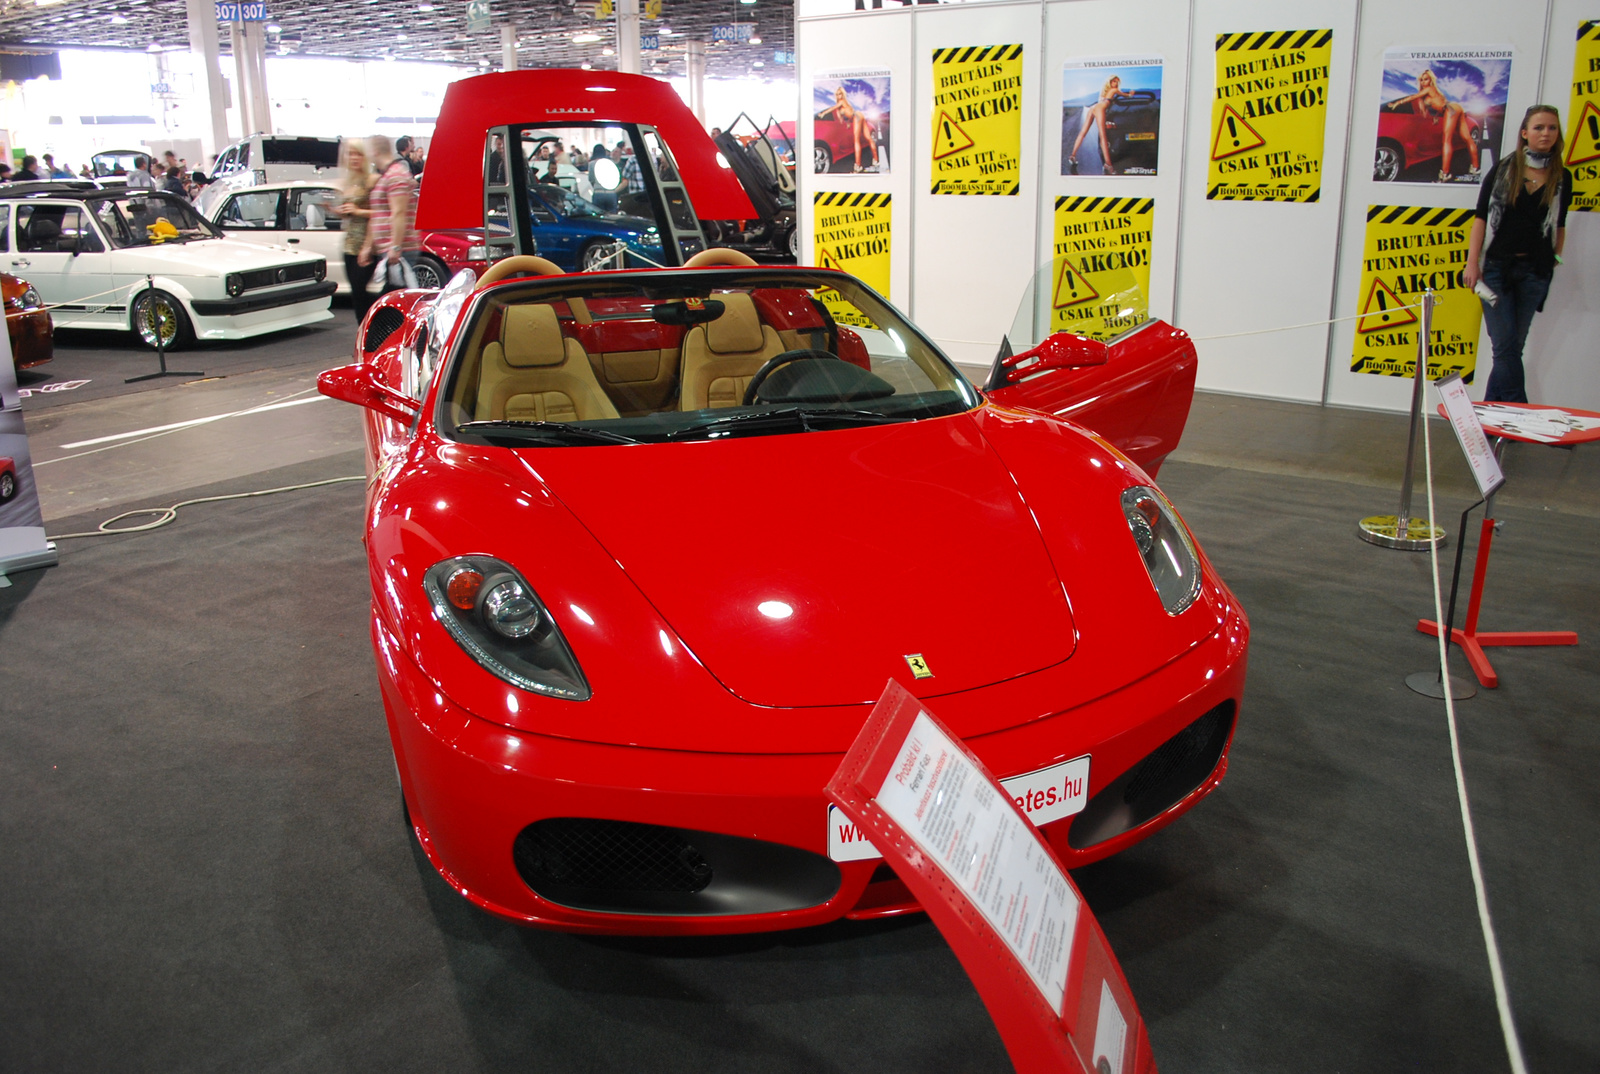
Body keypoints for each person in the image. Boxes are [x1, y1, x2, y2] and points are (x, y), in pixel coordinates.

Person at [1463, 105, 1571, 404]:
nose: (1546, 133)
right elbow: (1481, 218)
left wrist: (1555, 259)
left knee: (1511, 347)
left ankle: (1489, 416)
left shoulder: (1563, 177)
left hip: (1535, 272)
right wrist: (1473, 263)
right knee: (1505, 345)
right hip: (1496, 270)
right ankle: (1520, 412)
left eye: (1552, 127)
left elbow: (1559, 224)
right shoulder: (1503, 170)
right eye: (1539, 128)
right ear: (1524, 133)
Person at [1383, 68, 1480, 181]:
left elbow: (1412, 97)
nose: (1424, 82)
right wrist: (1435, 117)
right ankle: (1475, 168)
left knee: (1446, 141)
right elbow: (1439, 104)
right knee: (1467, 138)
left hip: (1450, 110)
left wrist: (1397, 103)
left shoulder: (1429, 89)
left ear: (1430, 80)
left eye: (1426, 79)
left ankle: (1445, 174)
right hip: (1455, 107)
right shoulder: (1433, 92)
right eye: (1422, 80)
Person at [363, 134, 421, 293]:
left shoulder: (395, 175)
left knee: (397, 297)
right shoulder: (388, 174)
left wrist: (395, 246)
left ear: (374, 151)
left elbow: (399, 212)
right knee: (394, 295)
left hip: (400, 250)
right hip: (392, 249)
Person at [335, 140, 379, 321]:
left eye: (358, 153)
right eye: (350, 153)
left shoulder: (372, 180)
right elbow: (348, 213)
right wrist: (338, 212)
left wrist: (357, 211)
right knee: (356, 292)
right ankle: (363, 332)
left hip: (368, 243)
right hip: (349, 244)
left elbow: (382, 213)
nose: (354, 158)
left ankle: (376, 328)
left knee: (361, 290)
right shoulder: (348, 182)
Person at [1067, 75, 1134, 175]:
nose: (1116, 84)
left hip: (1094, 107)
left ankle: (1072, 155)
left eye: (1117, 82)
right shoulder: (1114, 90)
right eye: (1114, 81)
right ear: (1110, 82)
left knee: (1083, 132)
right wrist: (1131, 93)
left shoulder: (1104, 91)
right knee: (1103, 136)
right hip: (1100, 108)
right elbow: (1126, 95)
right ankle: (1108, 165)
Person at [816, 85, 879, 172]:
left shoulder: (841, 102)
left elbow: (833, 108)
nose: (839, 96)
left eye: (840, 94)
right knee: (868, 138)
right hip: (858, 115)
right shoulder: (842, 105)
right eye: (837, 94)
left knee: (857, 141)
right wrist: (849, 123)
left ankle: (858, 166)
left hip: (856, 116)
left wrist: (823, 113)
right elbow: (848, 114)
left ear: (843, 95)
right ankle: (876, 161)